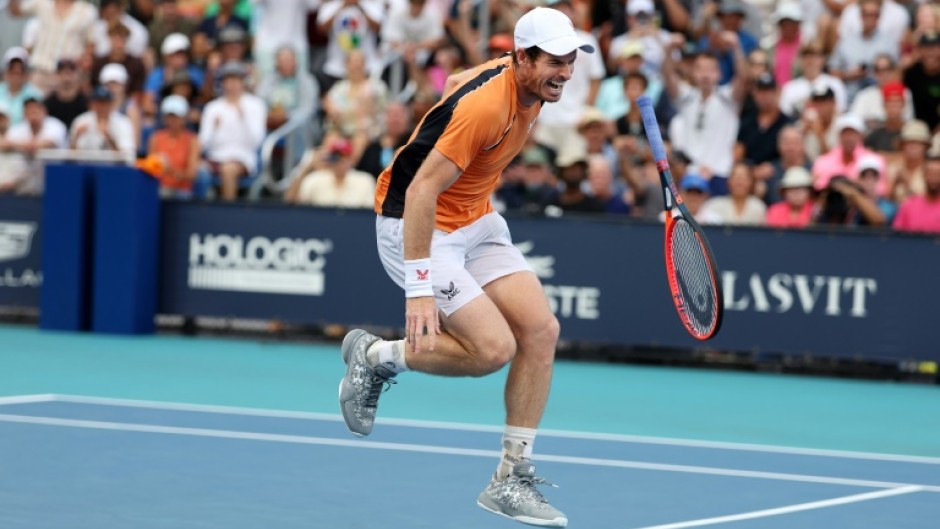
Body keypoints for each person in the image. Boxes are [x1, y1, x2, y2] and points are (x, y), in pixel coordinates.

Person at [338, 7, 595, 527]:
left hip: (475, 220)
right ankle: (376, 355)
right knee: (492, 350)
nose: (565, 72)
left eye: (571, 61)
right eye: (555, 61)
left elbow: (456, 79)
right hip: (416, 222)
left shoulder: (517, 76)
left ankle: (510, 477)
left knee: (542, 331)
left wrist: (441, 119)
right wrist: (420, 288)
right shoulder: (485, 110)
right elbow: (421, 189)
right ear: (523, 58)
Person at [285, 137, 375, 207]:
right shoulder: (315, 179)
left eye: (344, 156)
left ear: (352, 159)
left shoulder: (365, 181)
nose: (340, 161)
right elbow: (291, 201)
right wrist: (307, 167)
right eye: (336, 156)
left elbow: (369, 213)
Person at [147, 95, 201, 198]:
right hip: (158, 190)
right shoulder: (155, 138)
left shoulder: (192, 140)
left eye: (176, 116)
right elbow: (150, 168)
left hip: (182, 192)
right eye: (169, 116)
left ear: (184, 118)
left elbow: (191, 174)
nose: (172, 120)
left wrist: (169, 170)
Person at [69, 86, 137, 157]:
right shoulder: (81, 121)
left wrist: (109, 137)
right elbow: (70, 157)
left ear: (111, 104)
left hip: (114, 167)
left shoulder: (123, 123)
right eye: (98, 103)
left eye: (105, 103)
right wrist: (76, 137)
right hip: (86, 166)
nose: (101, 107)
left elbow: (128, 158)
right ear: (91, 104)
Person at [893, 154, 940, 233]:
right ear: (924, 175)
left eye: (938, 174)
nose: (934, 178)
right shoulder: (909, 204)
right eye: (930, 173)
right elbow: (897, 237)